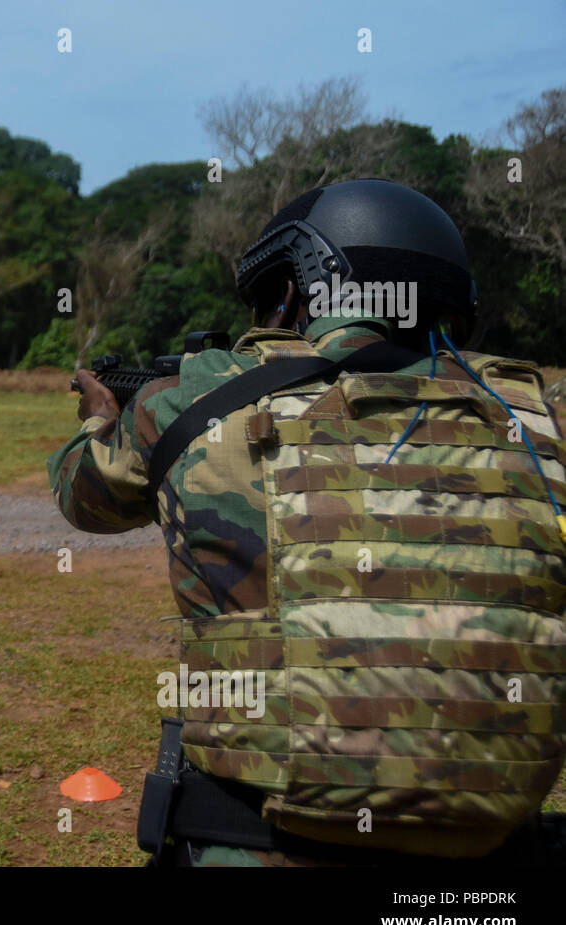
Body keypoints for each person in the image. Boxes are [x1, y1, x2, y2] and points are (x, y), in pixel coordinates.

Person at [49, 178, 566, 866]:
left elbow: (87, 498)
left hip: (254, 839)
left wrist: (101, 417)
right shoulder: (541, 422)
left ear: (295, 292)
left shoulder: (198, 398)